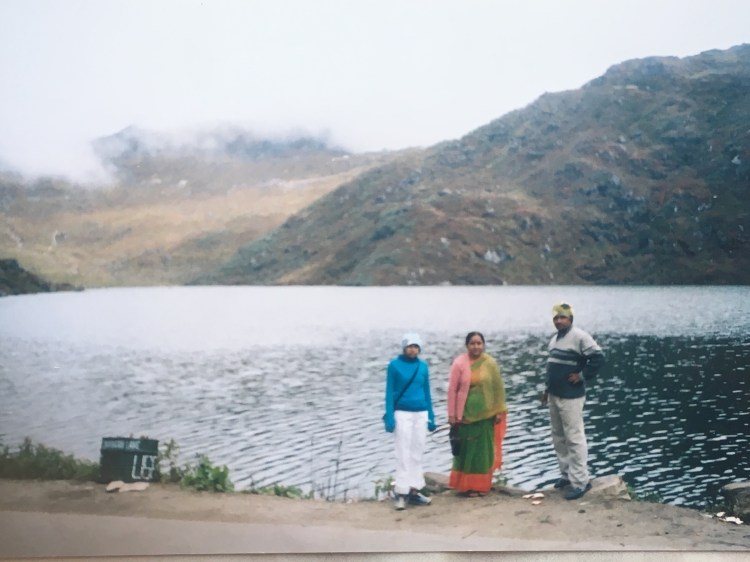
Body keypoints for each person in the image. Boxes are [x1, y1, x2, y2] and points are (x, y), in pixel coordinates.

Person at [542, 301, 605, 500]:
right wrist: (546, 390)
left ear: (570, 319)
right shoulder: (554, 340)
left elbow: (598, 357)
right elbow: (552, 368)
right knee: (558, 436)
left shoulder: (580, 336)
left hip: (571, 396)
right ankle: (566, 475)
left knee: (574, 437)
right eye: (556, 317)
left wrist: (582, 375)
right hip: (554, 394)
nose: (559, 321)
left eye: (562, 317)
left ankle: (581, 481)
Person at [447, 331, 507, 496]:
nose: (476, 346)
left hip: (487, 415)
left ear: (483, 345)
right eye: (472, 343)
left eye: (479, 343)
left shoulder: (490, 363)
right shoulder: (459, 363)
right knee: (467, 450)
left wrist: (499, 410)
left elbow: (498, 388)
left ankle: (480, 486)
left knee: (483, 452)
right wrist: (452, 415)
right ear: (467, 345)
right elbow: (452, 390)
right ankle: (465, 486)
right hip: (465, 415)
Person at [383, 332, 437, 510]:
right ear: (404, 348)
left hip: (420, 412)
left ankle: (414, 491)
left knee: (417, 451)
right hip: (402, 413)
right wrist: (389, 415)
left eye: (416, 346)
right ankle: (401, 492)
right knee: (402, 452)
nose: (413, 350)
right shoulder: (394, 366)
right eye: (409, 346)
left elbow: (427, 392)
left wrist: (431, 415)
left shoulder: (423, 367)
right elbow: (389, 392)